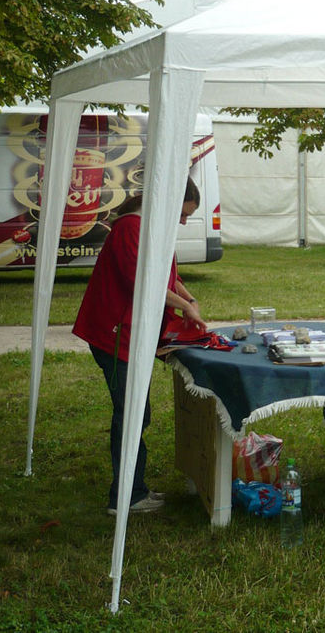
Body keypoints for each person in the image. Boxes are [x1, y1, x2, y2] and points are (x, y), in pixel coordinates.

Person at [73, 177, 207, 516]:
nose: (183, 222)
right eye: (183, 214)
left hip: (131, 336)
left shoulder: (150, 227)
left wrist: (189, 300)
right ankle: (126, 497)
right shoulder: (131, 228)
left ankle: (134, 489)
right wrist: (185, 307)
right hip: (116, 336)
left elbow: (167, 277)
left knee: (135, 413)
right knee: (132, 415)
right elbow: (143, 282)